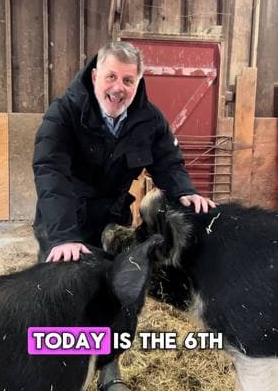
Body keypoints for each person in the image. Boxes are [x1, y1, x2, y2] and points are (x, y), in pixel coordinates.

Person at [32, 41, 216, 390]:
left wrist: (186, 192)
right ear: (95, 74)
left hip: (111, 221)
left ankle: (108, 370)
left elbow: (168, 162)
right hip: (63, 219)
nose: (119, 87)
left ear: (139, 82)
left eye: (128, 80)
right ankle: (57, 372)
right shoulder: (65, 113)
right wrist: (63, 237)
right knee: (59, 294)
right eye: (112, 76)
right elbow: (50, 172)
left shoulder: (148, 119)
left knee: (116, 293)